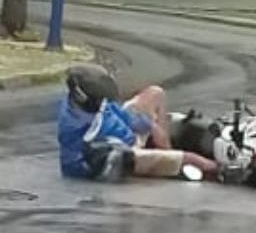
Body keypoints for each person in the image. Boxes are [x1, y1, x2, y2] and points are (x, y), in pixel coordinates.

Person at [58, 63, 219, 181]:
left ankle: (167, 148)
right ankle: (220, 169)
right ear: (83, 96)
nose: (103, 101)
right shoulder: (80, 126)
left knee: (156, 93)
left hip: (124, 138)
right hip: (108, 155)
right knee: (192, 160)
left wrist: (150, 125)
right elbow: (116, 143)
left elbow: (122, 115)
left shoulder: (93, 103)